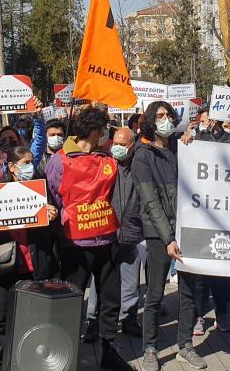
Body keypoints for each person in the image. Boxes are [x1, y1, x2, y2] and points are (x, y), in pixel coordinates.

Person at [46, 106, 133, 371]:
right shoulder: (59, 161)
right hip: (75, 243)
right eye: (103, 130)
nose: (106, 135)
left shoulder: (107, 159)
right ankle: (64, 352)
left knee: (110, 298)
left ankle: (109, 349)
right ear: (94, 131)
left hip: (106, 239)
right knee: (71, 299)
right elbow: (53, 196)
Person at [133, 101, 206, 371]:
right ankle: (150, 349)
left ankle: (185, 346)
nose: (166, 120)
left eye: (169, 115)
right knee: (154, 294)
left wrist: (191, 142)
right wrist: (167, 239)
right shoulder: (142, 155)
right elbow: (150, 203)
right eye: (160, 116)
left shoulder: (179, 145)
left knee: (189, 292)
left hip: (185, 228)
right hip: (158, 234)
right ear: (151, 121)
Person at [0, 145, 58, 371]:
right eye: (25, 163)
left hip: (33, 263)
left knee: (34, 318)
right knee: (1, 319)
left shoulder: (40, 189)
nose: (29, 167)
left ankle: (29, 360)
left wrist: (52, 215)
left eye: (31, 162)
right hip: (5, 264)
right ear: (11, 167)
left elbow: (49, 231)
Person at [84, 127, 143, 342]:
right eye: (115, 143)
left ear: (133, 145)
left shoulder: (140, 165)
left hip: (131, 232)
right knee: (100, 282)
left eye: (122, 144)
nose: (117, 148)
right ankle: (92, 322)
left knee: (130, 280)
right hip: (106, 232)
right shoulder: (105, 165)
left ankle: (129, 319)